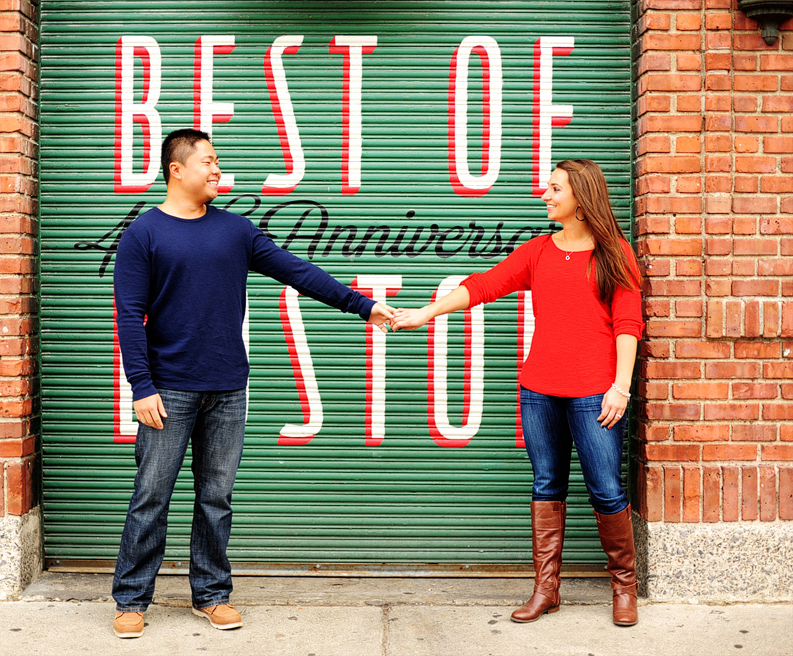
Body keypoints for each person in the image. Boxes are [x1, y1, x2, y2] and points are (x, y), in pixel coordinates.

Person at [111, 128, 394, 638]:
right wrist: (141, 386)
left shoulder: (236, 231)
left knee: (215, 497)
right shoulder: (143, 234)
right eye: (209, 161)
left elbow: (298, 272)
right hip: (168, 388)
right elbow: (130, 315)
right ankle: (131, 599)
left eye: (217, 161)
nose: (218, 170)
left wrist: (363, 305)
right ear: (176, 169)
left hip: (227, 386)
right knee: (151, 495)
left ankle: (211, 594)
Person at [390, 159, 644, 627]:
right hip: (539, 391)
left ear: (581, 201)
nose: (544, 195)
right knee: (546, 486)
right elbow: (485, 285)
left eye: (554, 189)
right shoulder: (538, 252)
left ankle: (623, 588)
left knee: (606, 490)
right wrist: (427, 313)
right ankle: (546, 590)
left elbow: (628, 324)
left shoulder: (615, 255)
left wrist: (620, 388)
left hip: (595, 395)